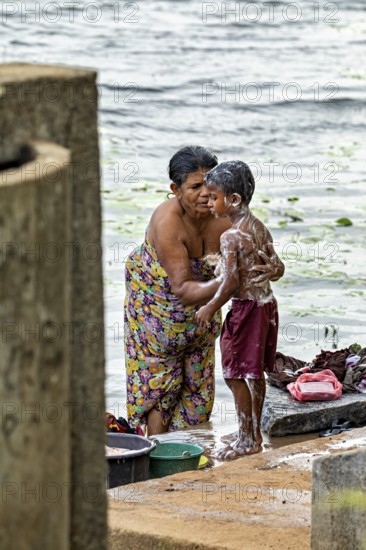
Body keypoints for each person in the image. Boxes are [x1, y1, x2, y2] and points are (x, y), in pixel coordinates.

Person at [124, 147, 284, 436]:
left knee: (198, 384)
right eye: (195, 187)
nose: (204, 195)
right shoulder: (167, 221)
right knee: (160, 385)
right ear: (175, 189)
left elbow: (270, 263)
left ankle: (193, 452)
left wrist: (267, 270)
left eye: (209, 187)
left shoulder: (230, 219)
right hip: (158, 310)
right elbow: (183, 289)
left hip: (204, 313)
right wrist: (228, 281)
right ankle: (159, 455)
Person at [196, 160, 284, 459]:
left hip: (247, 308)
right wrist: (273, 270)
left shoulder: (230, 236)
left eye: (213, 197)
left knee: (234, 373)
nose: (208, 203)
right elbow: (278, 266)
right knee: (254, 371)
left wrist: (210, 307)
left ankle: (248, 438)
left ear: (233, 200)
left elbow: (232, 282)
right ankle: (252, 430)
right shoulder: (258, 225)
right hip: (267, 304)